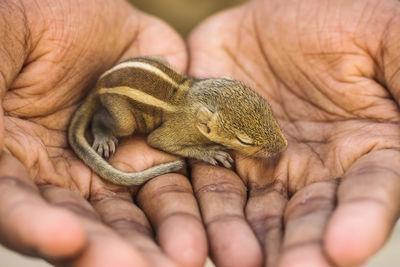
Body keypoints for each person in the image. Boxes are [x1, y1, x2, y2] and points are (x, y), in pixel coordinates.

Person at [0, 0, 399, 266]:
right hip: (116, 99)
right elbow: (159, 140)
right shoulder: (191, 124)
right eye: (247, 142)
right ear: (206, 124)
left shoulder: (210, 103)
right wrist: (203, 153)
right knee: (123, 124)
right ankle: (104, 127)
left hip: (151, 72)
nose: (271, 146)